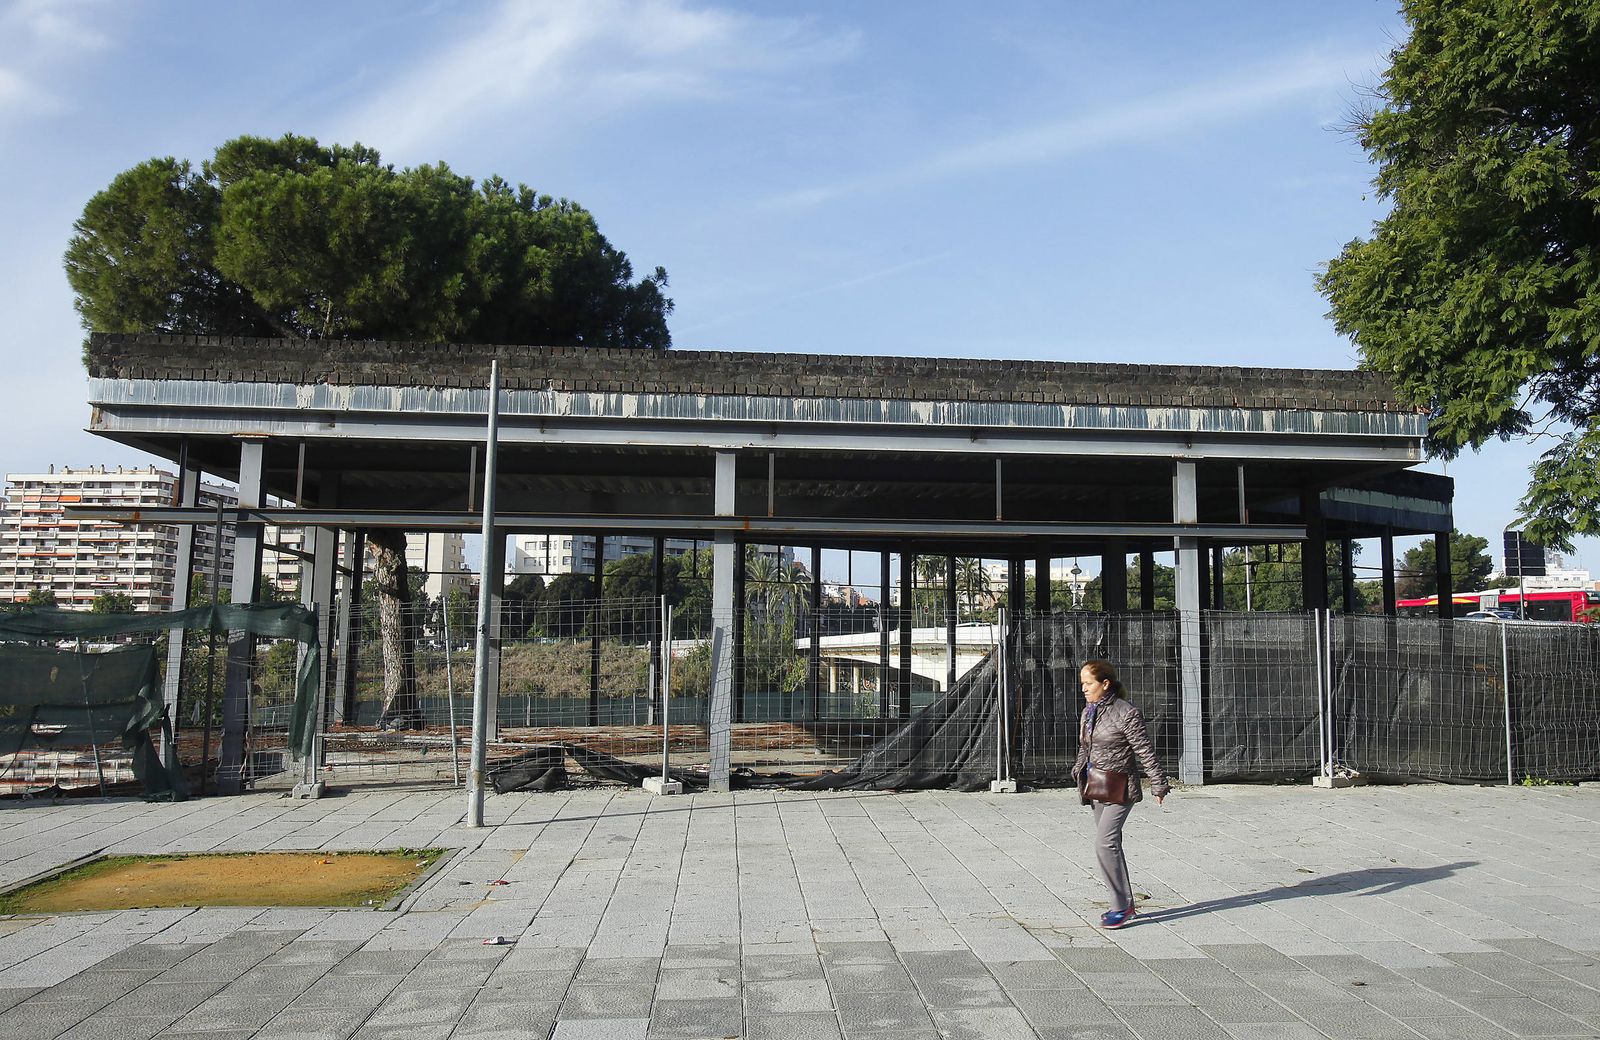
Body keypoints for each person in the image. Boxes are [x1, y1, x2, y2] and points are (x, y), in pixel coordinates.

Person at [1073, 658, 1169, 929]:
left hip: (1120, 788)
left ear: (1105, 683)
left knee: (1104, 843)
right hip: (1096, 785)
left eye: (1088, 683)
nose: (1084, 688)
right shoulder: (1089, 711)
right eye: (1082, 683)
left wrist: (1158, 783)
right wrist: (1078, 769)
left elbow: (1144, 750)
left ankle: (1121, 906)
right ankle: (1125, 903)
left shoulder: (1126, 713)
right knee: (1110, 844)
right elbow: (1085, 747)